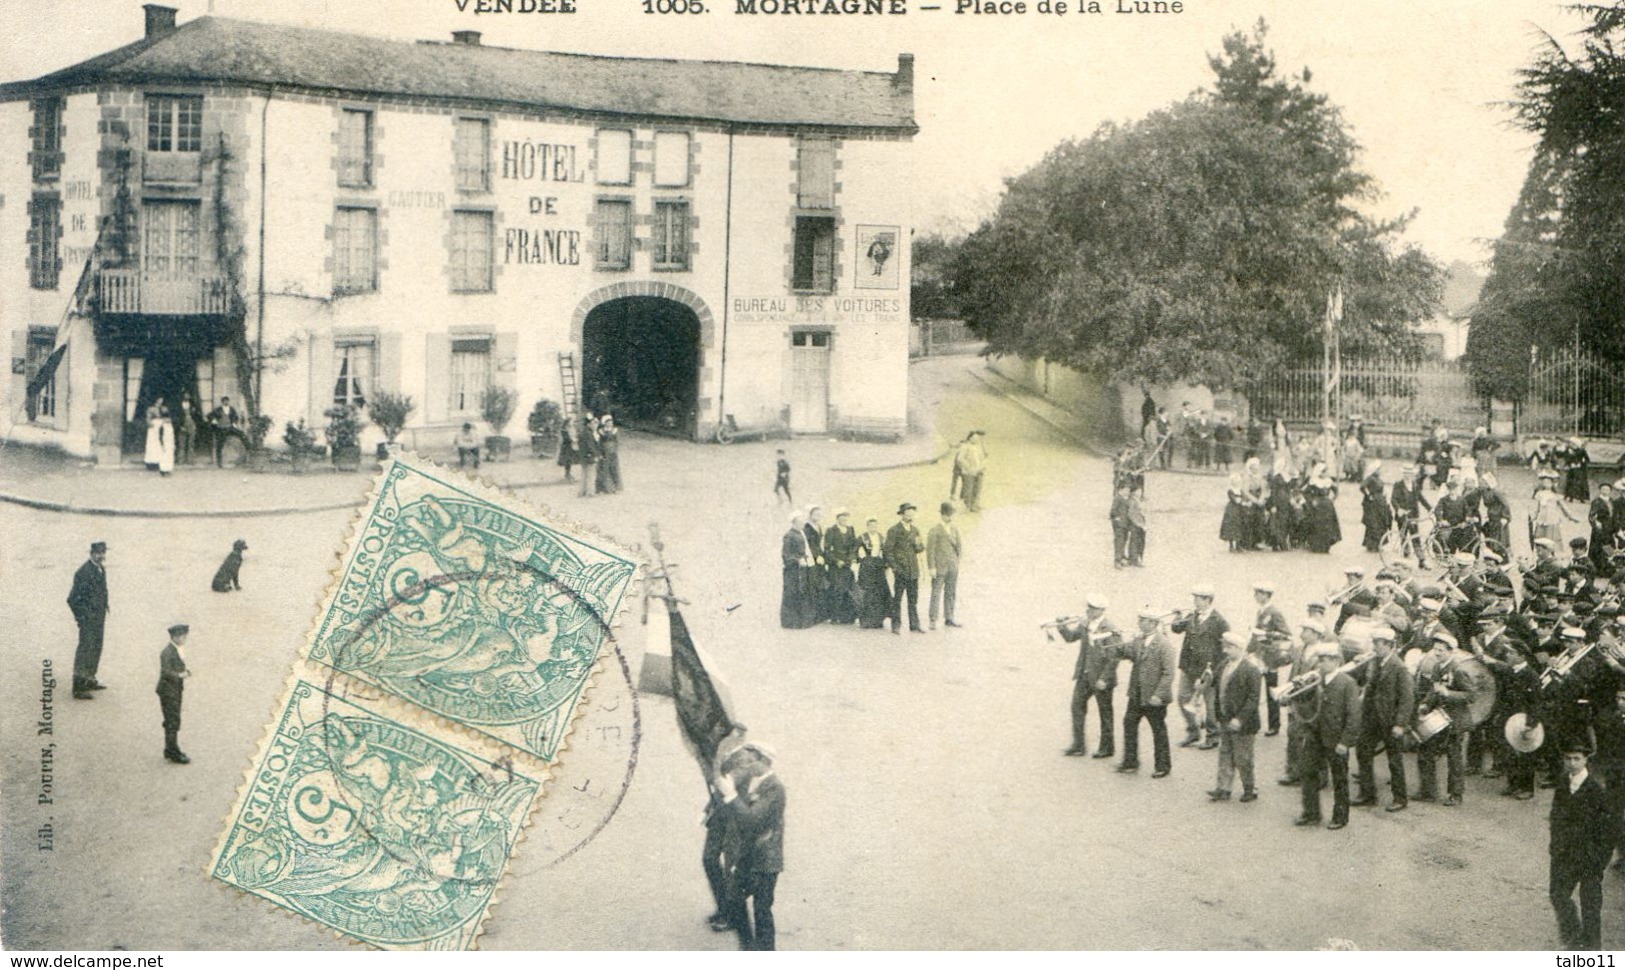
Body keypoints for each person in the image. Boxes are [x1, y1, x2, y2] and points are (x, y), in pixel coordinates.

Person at [716, 742, 785, 951]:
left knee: (762, 911)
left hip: (765, 860)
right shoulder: (756, 781)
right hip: (749, 856)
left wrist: (731, 795)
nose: (747, 765)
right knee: (737, 899)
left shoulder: (775, 788)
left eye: (751, 761)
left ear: (763, 761)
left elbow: (752, 820)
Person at [1549, 740, 1612, 949]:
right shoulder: (1562, 784)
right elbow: (1555, 817)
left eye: (1577, 758)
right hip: (1565, 854)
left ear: (1586, 760)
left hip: (1589, 858)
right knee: (1558, 894)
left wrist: (1599, 862)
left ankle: (1593, 950)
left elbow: (1608, 830)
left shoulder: (1596, 790)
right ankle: (1575, 939)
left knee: (1590, 907)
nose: (1572, 763)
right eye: (1568, 758)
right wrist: (1555, 846)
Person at [1296, 644, 1361, 830]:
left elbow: (1354, 715)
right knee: (1307, 771)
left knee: (1339, 778)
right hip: (1315, 735)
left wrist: (1345, 741)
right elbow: (1307, 705)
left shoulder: (1347, 683)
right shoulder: (1317, 680)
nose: (1321, 664)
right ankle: (1311, 812)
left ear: (1335, 661)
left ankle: (1340, 817)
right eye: (1320, 660)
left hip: (1336, 738)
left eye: (1325, 660)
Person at [1353, 624, 1412, 812]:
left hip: (1390, 720)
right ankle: (1367, 793)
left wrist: (1400, 724)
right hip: (1372, 718)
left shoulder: (1399, 667)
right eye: (1374, 643)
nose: (1374, 647)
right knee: (1362, 751)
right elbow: (1368, 685)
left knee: (1394, 760)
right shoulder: (1376, 662)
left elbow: (1407, 698)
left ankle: (1400, 799)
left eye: (1378, 643)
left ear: (1389, 645)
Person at [1117, 607, 1178, 779]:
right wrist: (1114, 642)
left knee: (1158, 730)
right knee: (1129, 724)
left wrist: (1159, 694)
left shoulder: (1164, 645)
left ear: (1153, 623)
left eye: (1142, 620)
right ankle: (1130, 761)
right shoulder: (1138, 640)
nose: (1139, 623)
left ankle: (1163, 766)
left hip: (1154, 698)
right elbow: (1125, 652)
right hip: (1136, 694)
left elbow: (1168, 673)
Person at [1414, 629, 1472, 806]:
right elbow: (1434, 689)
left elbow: (1471, 695)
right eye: (1435, 649)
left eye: (1441, 650)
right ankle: (1428, 791)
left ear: (1451, 651)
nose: (1437, 653)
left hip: (1455, 720)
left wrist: (1448, 693)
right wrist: (1425, 703)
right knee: (1425, 751)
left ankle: (1456, 794)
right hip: (1439, 718)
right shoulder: (1438, 667)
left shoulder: (1458, 669)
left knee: (1454, 757)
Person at [1060, 596, 1122, 758]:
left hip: (1101, 678)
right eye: (1089, 607)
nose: (1089, 610)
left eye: (1093, 608)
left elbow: (1115, 656)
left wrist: (1104, 678)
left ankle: (1107, 747)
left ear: (1102, 610)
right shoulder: (1086, 623)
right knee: (1076, 707)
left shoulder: (1110, 628)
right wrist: (1062, 626)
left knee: (1105, 713)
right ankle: (1078, 745)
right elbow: (1070, 637)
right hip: (1084, 675)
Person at [1171, 586, 1228, 749]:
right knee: (1182, 698)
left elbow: (1225, 648)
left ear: (1208, 601)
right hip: (1188, 667)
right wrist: (1177, 617)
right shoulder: (1192, 616)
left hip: (1207, 670)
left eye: (1198, 598)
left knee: (1209, 704)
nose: (1194, 601)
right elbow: (1176, 628)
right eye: (1195, 598)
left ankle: (1212, 735)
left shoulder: (1219, 621)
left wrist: (1216, 671)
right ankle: (1193, 731)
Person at [1209, 631, 1261, 802]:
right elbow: (1214, 684)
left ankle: (1249, 788)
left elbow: (1254, 699)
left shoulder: (1251, 670)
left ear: (1240, 649)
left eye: (1229, 647)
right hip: (1225, 717)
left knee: (1243, 757)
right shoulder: (1223, 665)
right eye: (1225, 647)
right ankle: (1223, 788)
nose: (1225, 651)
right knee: (1225, 753)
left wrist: (1240, 718)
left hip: (1243, 722)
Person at [1248, 583, 1292, 737]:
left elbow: (1286, 634)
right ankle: (1254, 723)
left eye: (1259, 593)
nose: (1256, 596)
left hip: (1270, 658)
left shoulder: (1274, 612)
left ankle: (1274, 725)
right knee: (1253, 689)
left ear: (1266, 595)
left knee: (1271, 692)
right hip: (1258, 656)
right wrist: (1248, 651)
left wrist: (1266, 635)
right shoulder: (1261, 611)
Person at [67, 541, 110, 699]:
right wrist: (82, 619)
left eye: (103, 552)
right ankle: (78, 688)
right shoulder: (83, 572)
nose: (101, 556)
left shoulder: (100, 569)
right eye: (98, 553)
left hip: (98, 618)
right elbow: (72, 599)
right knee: (85, 650)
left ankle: (89, 679)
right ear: (91, 553)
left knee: (96, 647)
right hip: (88, 620)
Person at [884, 503, 925, 635]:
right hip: (901, 570)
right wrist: (895, 568)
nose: (911, 515)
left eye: (912, 513)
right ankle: (896, 625)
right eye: (908, 513)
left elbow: (919, 549)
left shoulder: (915, 530)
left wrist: (919, 545)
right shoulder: (894, 530)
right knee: (898, 599)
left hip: (913, 570)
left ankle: (915, 625)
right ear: (902, 514)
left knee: (913, 599)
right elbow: (888, 551)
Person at [156, 622, 192, 764]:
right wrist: (180, 675)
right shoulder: (167, 652)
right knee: (172, 720)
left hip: (174, 690)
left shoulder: (176, 649)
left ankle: (169, 748)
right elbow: (165, 671)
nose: (185, 639)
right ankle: (173, 751)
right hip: (168, 691)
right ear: (175, 637)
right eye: (183, 637)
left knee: (173, 719)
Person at [926, 502, 962, 630]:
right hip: (939, 567)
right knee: (936, 592)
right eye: (947, 515)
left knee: (951, 592)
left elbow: (959, 547)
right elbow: (930, 551)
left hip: (952, 567)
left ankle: (949, 617)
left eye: (951, 515)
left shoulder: (954, 529)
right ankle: (933, 619)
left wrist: (956, 563)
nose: (950, 518)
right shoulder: (934, 530)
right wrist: (931, 567)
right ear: (942, 515)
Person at [824, 510, 859, 625]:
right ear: (837, 518)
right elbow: (827, 549)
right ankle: (834, 616)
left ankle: (847, 616)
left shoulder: (850, 529)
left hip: (847, 564)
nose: (844, 519)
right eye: (842, 517)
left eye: (846, 517)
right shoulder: (831, 530)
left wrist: (852, 558)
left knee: (848, 589)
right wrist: (836, 561)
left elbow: (854, 546)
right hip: (836, 565)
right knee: (836, 589)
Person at [855, 517, 891, 630]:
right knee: (867, 592)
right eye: (871, 526)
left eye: (875, 526)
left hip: (879, 567)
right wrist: (861, 559)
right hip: (867, 567)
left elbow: (886, 552)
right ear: (867, 527)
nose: (873, 528)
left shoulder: (881, 537)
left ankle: (878, 620)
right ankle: (866, 620)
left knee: (879, 592)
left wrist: (886, 566)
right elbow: (855, 551)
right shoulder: (862, 537)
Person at [779, 513, 814, 630]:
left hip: (801, 569)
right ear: (794, 523)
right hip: (792, 570)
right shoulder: (789, 536)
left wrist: (805, 558)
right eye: (799, 523)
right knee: (791, 593)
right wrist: (797, 560)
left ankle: (800, 622)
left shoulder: (800, 534)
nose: (802, 525)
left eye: (802, 523)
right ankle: (789, 622)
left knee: (801, 592)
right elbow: (786, 554)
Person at [802, 507, 829, 625]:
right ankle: (811, 615)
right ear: (810, 514)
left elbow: (819, 543)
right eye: (815, 514)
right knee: (812, 585)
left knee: (820, 585)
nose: (818, 516)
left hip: (820, 560)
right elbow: (809, 544)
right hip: (812, 559)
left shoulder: (818, 526)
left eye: (819, 514)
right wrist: (817, 556)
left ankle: (820, 614)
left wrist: (822, 556)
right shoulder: (806, 527)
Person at [1359, 460, 1390, 552]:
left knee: (1380, 523)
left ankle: (1378, 544)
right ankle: (1372, 544)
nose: (1380, 471)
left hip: (1381, 503)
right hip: (1373, 504)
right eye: (1378, 469)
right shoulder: (1370, 478)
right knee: (1373, 523)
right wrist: (1369, 496)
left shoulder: (1379, 479)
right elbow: (1362, 487)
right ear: (1374, 470)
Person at [954, 431, 987, 512]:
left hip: (978, 470)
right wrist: (968, 466)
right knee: (968, 489)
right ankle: (967, 506)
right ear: (969, 438)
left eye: (977, 438)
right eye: (974, 438)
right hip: (969, 472)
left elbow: (983, 458)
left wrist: (981, 466)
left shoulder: (978, 447)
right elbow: (960, 459)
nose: (976, 439)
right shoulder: (965, 447)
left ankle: (975, 505)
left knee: (977, 488)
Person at [208, 396, 241, 467]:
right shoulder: (218, 409)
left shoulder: (232, 409)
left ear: (228, 401)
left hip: (229, 427)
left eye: (227, 401)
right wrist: (214, 421)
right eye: (224, 401)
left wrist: (234, 423)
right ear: (222, 402)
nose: (226, 402)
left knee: (241, 434)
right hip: (221, 429)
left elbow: (236, 417)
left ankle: (248, 448)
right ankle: (219, 463)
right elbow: (210, 415)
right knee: (219, 445)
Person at [595, 414, 622, 494]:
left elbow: (617, 441)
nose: (610, 423)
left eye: (611, 422)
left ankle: (615, 487)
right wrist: (600, 452)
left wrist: (615, 449)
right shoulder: (600, 431)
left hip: (612, 452)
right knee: (603, 470)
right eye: (608, 422)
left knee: (614, 469)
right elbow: (599, 443)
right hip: (604, 452)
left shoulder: (614, 430)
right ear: (605, 423)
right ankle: (603, 488)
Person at [1110, 481, 1133, 568]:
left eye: (1128, 490)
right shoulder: (1118, 498)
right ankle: (1117, 561)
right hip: (1119, 524)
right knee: (1119, 541)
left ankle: (1121, 557)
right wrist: (1117, 519)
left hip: (1125, 523)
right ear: (1121, 489)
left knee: (1124, 540)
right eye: (1126, 489)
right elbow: (1113, 511)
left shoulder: (1125, 498)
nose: (1128, 491)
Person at [576, 415, 600, 497]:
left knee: (584, 474)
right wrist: (595, 454)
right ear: (588, 424)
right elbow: (591, 446)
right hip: (590, 456)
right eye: (593, 423)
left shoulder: (583, 432)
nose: (595, 425)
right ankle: (590, 492)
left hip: (583, 456)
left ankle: (581, 491)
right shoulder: (589, 434)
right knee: (591, 475)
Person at [1125, 484, 1147, 567]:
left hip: (1140, 524)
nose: (1140, 493)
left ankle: (1136, 559)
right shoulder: (1132, 501)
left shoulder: (1136, 500)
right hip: (1136, 525)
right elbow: (1131, 514)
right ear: (1134, 492)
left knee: (1139, 542)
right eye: (1138, 491)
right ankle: (1134, 559)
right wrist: (1139, 524)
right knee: (1136, 542)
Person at [556, 416, 579, 482]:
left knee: (571, 460)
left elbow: (575, 435)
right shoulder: (564, 430)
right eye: (571, 421)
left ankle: (569, 474)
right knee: (567, 460)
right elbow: (566, 438)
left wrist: (576, 439)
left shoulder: (573, 428)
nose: (572, 423)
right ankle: (567, 474)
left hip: (573, 446)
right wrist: (573, 440)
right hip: (566, 447)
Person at [176, 395, 196, 466]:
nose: (187, 397)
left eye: (188, 395)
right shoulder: (178, 406)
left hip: (191, 425)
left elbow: (196, 416)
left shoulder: (193, 405)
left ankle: (190, 461)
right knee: (181, 444)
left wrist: (194, 425)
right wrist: (180, 426)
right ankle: (180, 461)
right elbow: (176, 417)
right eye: (185, 395)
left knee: (191, 444)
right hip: (182, 426)